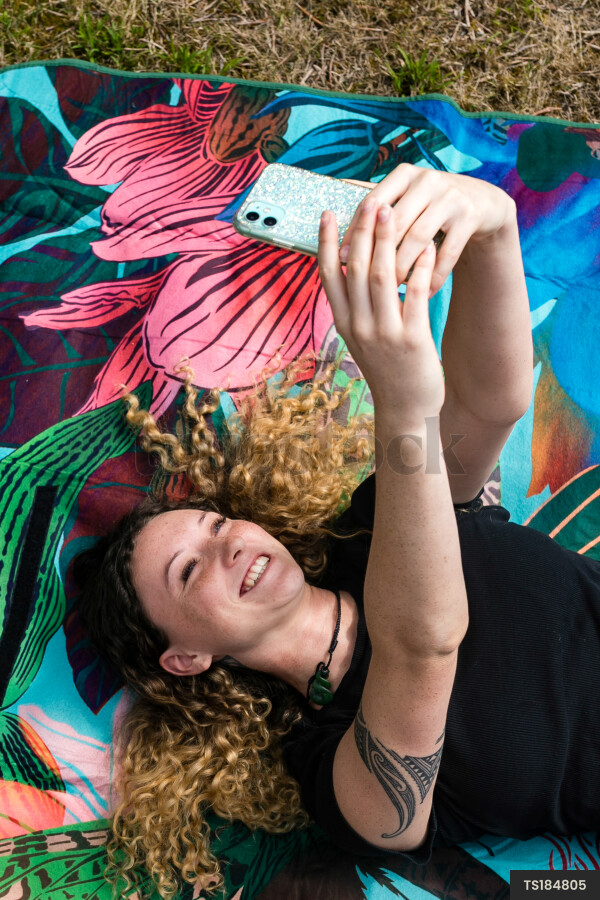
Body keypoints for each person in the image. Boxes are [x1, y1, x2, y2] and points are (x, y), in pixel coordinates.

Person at [75, 163, 600, 899]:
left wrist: (491, 228)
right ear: (187, 658)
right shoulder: (338, 778)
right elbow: (423, 646)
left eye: (218, 523)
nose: (229, 544)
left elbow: (491, 404)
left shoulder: (372, 528)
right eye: (189, 571)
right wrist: (406, 411)